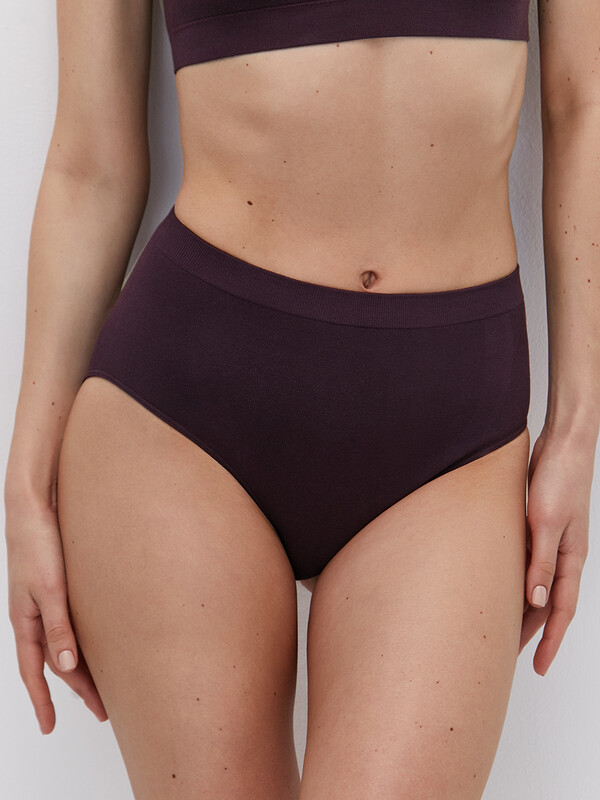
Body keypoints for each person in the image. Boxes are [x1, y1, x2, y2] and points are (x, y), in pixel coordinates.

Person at [4, 0, 599, 797]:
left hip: (450, 441)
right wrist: (26, 487)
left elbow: (585, 104)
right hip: (183, 418)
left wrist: (576, 428)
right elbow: (92, 164)